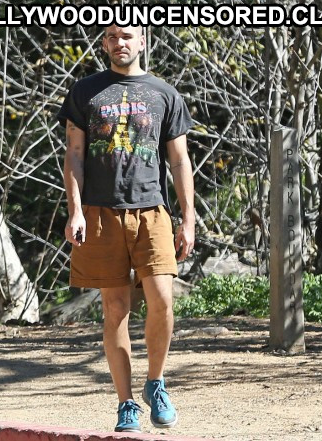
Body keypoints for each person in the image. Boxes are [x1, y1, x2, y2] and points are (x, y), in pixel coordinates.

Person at [57, 25, 195, 433]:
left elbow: (179, 160)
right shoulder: (85, 91)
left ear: (143, 41)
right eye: (113, 37)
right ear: (104, 43)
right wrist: (75, 211)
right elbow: (75, 153)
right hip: (100, 212)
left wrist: (188, 218)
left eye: (128, 36)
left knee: (162, 299)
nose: (121, 43)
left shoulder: (165, 93)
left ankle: (156, 382)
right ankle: (126, 403)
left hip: (152, 210)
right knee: (115, 310)